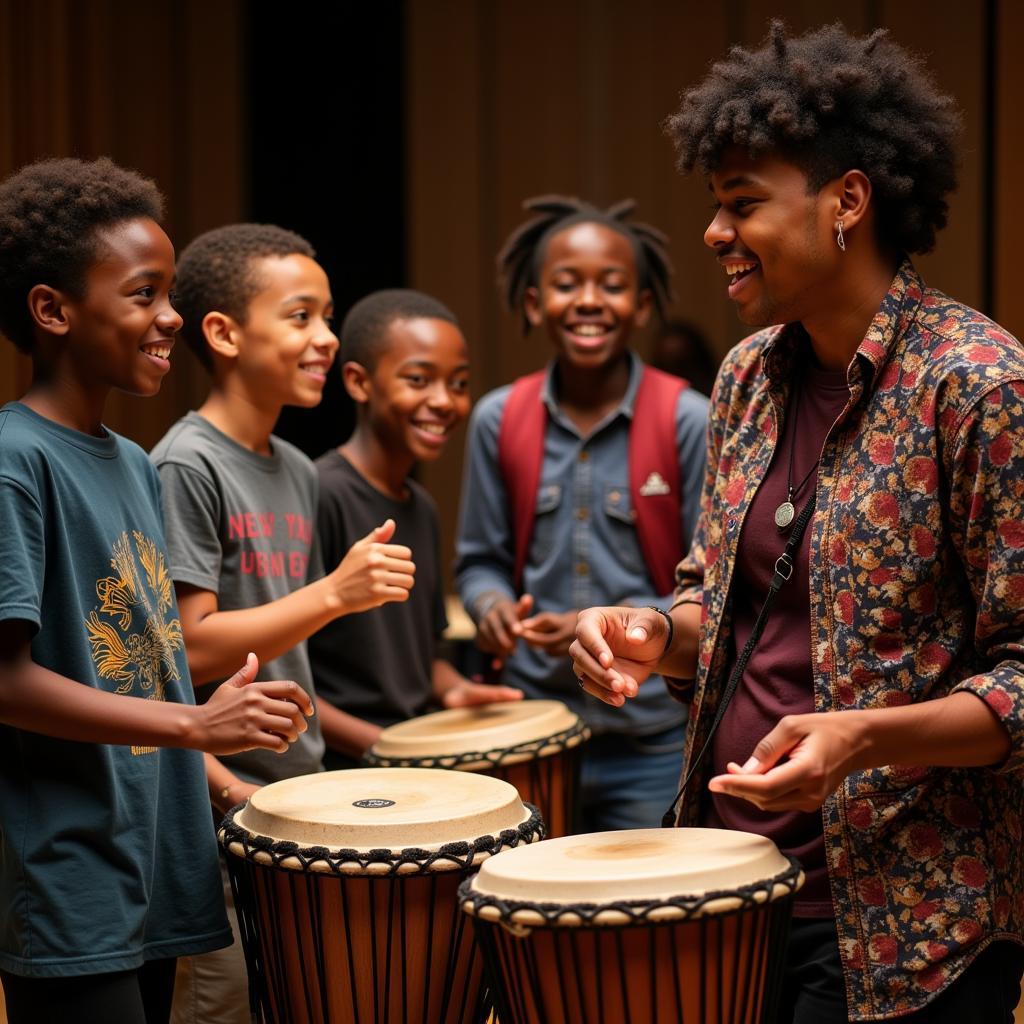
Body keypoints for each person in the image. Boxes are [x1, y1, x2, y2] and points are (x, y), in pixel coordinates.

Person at [570, 21, 1024, 1023]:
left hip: (906, 926)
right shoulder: (744, 377)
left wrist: (858, 739)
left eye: (741, 204)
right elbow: (717, 611)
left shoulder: (978, 384)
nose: (713, 232)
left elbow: (1023, 677)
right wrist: (651, 632)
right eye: (714, 204)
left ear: (845, 202)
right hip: (731, 882)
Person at [0, 159, 312, 1024]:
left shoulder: (135, 465)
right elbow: (7, 681)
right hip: (71, 879)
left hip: (153, 861)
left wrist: (216, 761)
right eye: (144, 293)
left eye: (169, 291)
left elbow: (139, 658)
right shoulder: (14, 461)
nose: (169, 315)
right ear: (53, 311)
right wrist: (192, 722)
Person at [150, 225, 416, 1024]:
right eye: (300, 316)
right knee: (223, 1005)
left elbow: (279, 647)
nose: (326, 338)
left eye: (328, 316)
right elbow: (187, 647)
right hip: (217, 800)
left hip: (292, 788)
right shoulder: (185, 464)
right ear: (225, 334)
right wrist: (335, 594)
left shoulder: (296, 468)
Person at [456, 196, 709, 831]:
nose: (589, 300)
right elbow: (479, 562)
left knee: (642, 912)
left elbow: (709, 589)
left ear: (643, 306)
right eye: (567, 284)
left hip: (651, 734)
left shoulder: (688, 419)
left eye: (613, 285)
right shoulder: (497, 419)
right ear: (536, 302)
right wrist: (490, 611)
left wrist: (600, 622)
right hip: (530, 729)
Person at [308, 289, 522, 765]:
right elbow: (281, 676)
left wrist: (455, 690)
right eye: (418, 379)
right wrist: (385, 746)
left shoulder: (420, 507)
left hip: (403, 760)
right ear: (359, 382)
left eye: (460, 383)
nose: (444, 401)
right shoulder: (319, 493)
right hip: (338, 772)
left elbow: (425, 659)